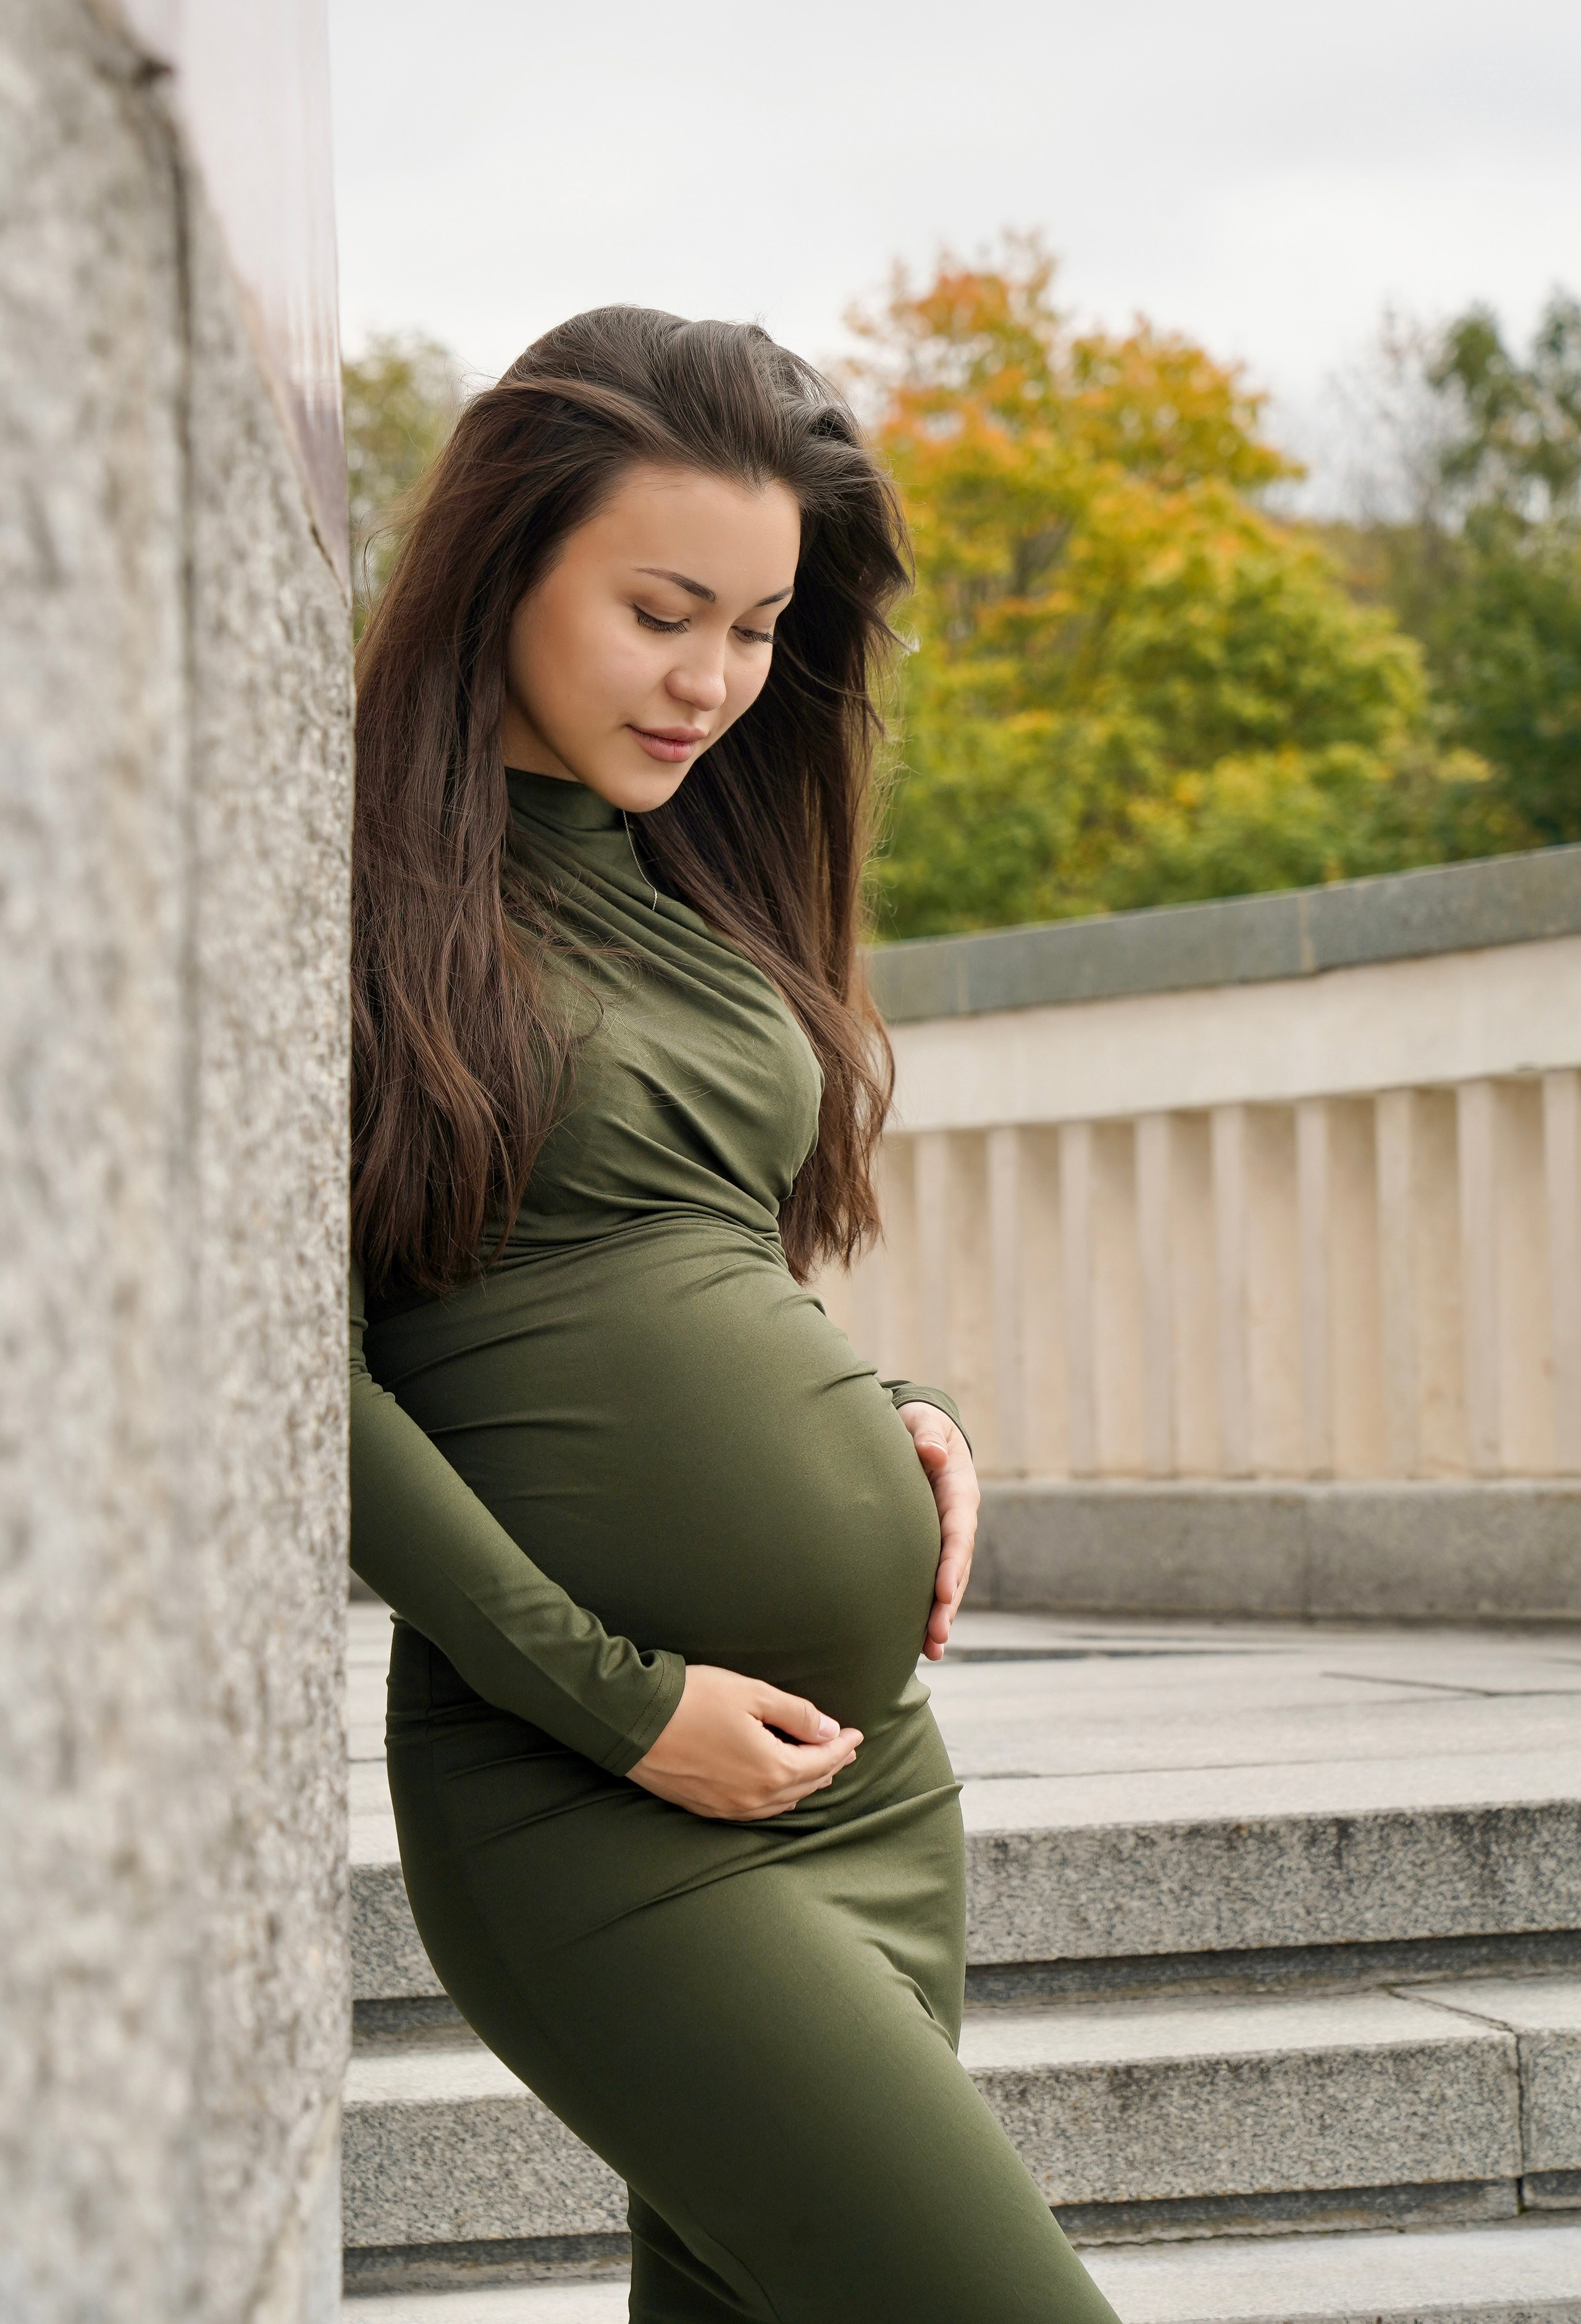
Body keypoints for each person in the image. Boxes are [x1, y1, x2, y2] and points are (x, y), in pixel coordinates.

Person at [349, 305, 1122, 2324]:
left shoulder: (685, 879)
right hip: (595, 1799)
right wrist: (623, 1700)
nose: (713, 683)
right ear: (508, 562)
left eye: (761, 628)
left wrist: (897, 1411)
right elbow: (285, 1382)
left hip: (868, 1779)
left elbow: (696, 1260)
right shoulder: (352, 895)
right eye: (662, 611)